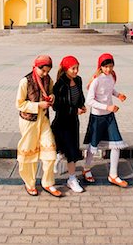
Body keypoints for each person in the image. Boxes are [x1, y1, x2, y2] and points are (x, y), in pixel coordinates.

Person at [16, 55, 61, 197]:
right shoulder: (25, 81)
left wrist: (52, 97)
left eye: (48, 71)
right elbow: (19, 104)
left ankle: (48, 183)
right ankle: (29, 183)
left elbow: (52, 92)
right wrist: (38, 105)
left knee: (50, 150)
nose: (45, 74)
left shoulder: (48, 79)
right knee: (29, 153)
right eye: (43, 71)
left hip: (44, 120)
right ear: (36, 67)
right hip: (29, 121)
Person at [83, 53, 129, 188]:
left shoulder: (111, 77)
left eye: (111, 66)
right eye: (106, 66)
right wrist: (106, 106)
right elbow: (89, 100)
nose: (108, 69)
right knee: (93, 145)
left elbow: (110, 90)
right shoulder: (96, 80)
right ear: (100, 66)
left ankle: (113, 175)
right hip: (97, 117)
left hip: (109, 116)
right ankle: (86, 168)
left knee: (116, 144)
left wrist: (118, 94)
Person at [52, 56, 86, 193]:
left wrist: (82, 106)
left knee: (72, 151)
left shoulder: (78, 80)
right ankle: (71, 177)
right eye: (73, 68)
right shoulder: (59, 84)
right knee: (68, 150)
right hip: (62, 123)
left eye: (77, 67)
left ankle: (71, 179)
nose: (76, 71)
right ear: (66, 69)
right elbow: (57, 106)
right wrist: (73, 110)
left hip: (73, 122)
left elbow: (80, 96)